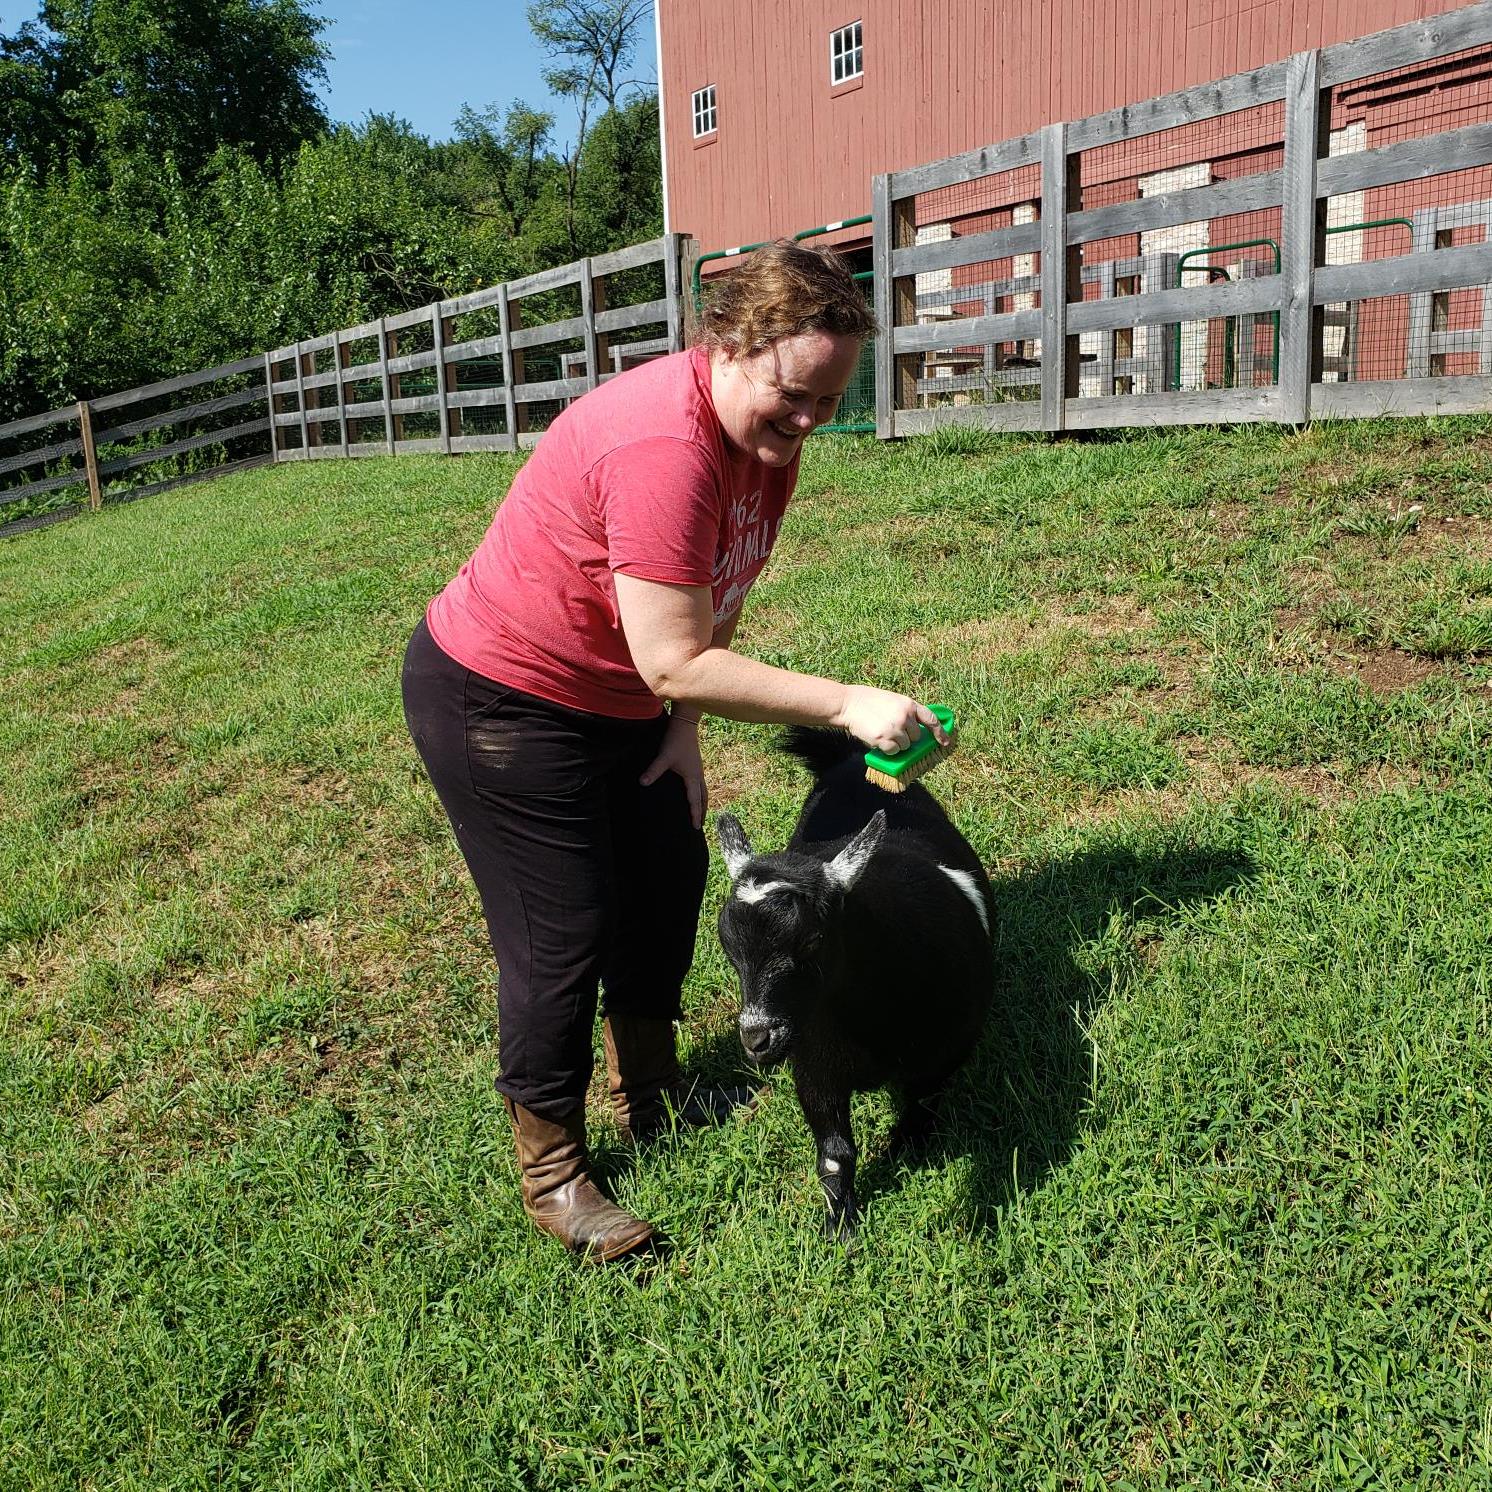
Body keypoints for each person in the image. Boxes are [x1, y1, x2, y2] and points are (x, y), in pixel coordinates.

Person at [401, 240, 948, 1261]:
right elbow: (672, 655)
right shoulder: (665, 445)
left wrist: (684, 732)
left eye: (831, 403)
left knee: (667, 868)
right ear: (731, 346)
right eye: (794, 395)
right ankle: (555, 1173)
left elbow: (711, 600)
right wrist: (845, 704)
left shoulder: (761, 444)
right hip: (501, 698)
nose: (809, 423)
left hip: (624, 696)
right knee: (562, 927)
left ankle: (650, 1089)